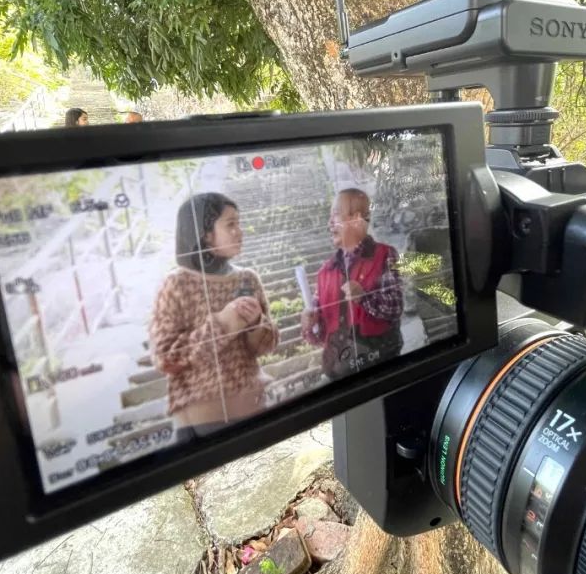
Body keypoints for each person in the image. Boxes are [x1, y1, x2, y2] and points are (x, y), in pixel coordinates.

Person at [151, 192, 279, 439]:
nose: (240, 232)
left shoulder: (248, 278)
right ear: (205, 235)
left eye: (239, 223)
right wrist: (223, 324)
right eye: (231, 224)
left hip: (254, 406)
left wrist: (256, 324)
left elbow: (267, 345)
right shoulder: (175, 285)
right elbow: (165, 358)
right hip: (201, 420)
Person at [301, 188, 404, 380]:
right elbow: (320, 334)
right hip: (338, 373)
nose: (329, 222)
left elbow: (395, 307)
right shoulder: (325, 272)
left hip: (379, 367)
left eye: (335, 214)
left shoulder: (385, 255)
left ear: (356, 219)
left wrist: (364, 297)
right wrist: (310, 325)